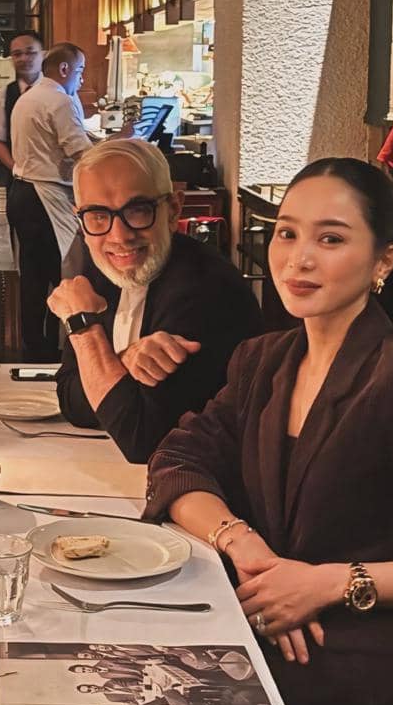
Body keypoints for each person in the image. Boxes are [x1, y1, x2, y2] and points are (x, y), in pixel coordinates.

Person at [144, 157, 393, 705]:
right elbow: (178, 460)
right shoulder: (265, 359)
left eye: (331, 239)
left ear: (383, 262)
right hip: (270, 627)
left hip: (376, 670)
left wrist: (329, 584)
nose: (299, 258)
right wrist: (243, 543)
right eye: (287, 233)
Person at [48, 138, 263, 462]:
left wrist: (84, 329)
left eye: (137, 210)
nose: (119, 236)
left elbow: (143, 440)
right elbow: (72, 400)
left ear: (173, 208)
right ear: (80, 219)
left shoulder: (207, 291)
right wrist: (122, 363)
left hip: (215, 490)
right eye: (97, 216)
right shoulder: (101, 272)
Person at [6, 42, 96, 360]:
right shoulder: (59, 100)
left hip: (21, 192)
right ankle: (55, 351)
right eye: (81, 71)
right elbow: (79, 151)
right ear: (64, 70)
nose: (81, 80)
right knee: (58, 273)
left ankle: (33, 346)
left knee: (32, 275)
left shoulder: (29, 97)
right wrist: (119, 146)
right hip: (44, 197)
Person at [0, 30, 44, 186]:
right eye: (17, 54)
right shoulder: (3, 95)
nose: (24, 58)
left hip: (55, 180)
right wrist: (17, 171)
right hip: (18, 178)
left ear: (43, 54)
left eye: (31, 53)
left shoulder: (59, 91)